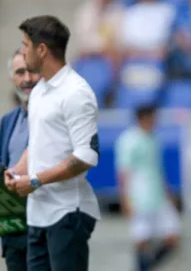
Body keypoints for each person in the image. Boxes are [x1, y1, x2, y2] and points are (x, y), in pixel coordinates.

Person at [3, 15, 101, 271]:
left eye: (26, 45)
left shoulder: (76, 92)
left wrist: (36, 181)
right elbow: (35, 145)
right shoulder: (39, 92)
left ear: (42, 49)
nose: (23, 52)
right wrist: (18, 170)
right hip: (38, 215)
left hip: (67, 213)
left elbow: (86, 156)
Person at [115, 103, 180, 271]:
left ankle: (148, 266)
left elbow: (159, 169)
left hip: (158, 195)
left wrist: (168, 193)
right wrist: (124, 199)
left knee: (172, 237)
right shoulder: (128, 140)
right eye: (151, 117)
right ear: (141, 118)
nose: (154, 121)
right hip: (139, 196)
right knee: (142, 239)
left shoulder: (155, 139)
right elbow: (123, 172)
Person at [0, 49, 41, 271]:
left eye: (31, 71)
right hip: (14, 227)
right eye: (20, 72)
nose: (26, 78)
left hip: (47, 226)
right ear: (12, 77)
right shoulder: (7, 122)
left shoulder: (56, 117)